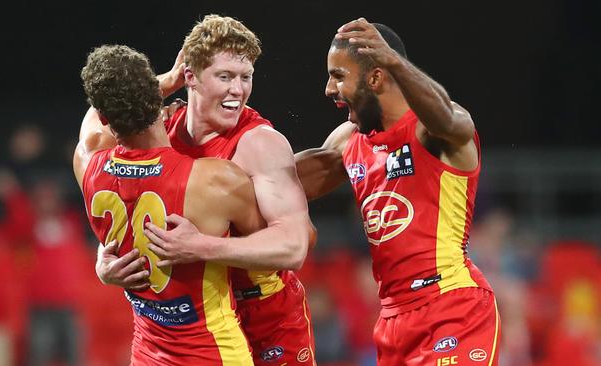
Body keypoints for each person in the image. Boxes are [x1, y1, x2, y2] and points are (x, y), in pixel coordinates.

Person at [96, 15, 318, 366]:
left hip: (263, 315)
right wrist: (104, 261)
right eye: (225, 77)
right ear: (190, 77)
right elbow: (105, 112)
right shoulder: (162, 130)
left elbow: (294, 247)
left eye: (246, 78)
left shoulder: (260, 144)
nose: (238, 90)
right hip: (192, 322)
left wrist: (200, 246)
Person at [294, 18, 500, 365]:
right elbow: (277, 184)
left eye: (339, 76)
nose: (329, 89)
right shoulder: (349, 142)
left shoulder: (432, 128)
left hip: (452, 308)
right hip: (392, 322)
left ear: (376, 77)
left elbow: (449, 121)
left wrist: (394, 61)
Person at [74, 44, 266, 365]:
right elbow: (275, 249)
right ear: (155, 98)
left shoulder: (87, 161)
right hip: (214, 353)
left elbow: (93, 117)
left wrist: (164, 81)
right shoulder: (214, 179)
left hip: (149, 353)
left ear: (108, 118)